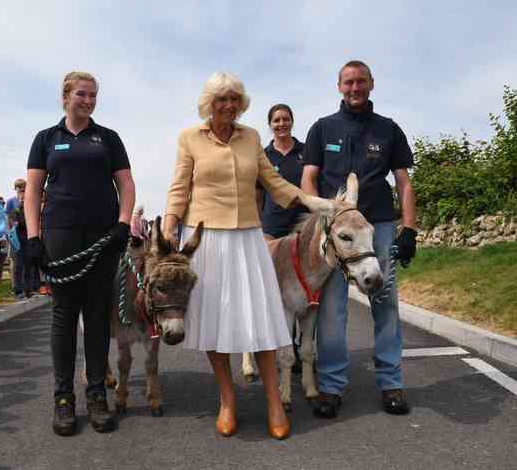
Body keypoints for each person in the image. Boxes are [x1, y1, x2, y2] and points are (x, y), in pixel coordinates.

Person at [163, 72, 332, 439]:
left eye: (235, 98)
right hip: (204, 237)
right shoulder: (189, 138)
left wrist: (312, 201)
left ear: (242, 103)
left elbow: (273, 181)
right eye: (222, 98)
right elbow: (179, 187)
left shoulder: (252, 137)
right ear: (209, 103)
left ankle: (274, 401)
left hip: (247, 238)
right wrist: (168, 228)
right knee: (213, 323)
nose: (229, 105)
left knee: (262, 321)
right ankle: (227, 400)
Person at [301, 60, 417, 418]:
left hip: (377, 227)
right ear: (339, 86)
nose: (355, 88)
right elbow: (308, 179)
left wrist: (409, 228)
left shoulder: (389, 130)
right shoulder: (322, 129)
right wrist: (320, 216)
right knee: (333, 310)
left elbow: (404, 182)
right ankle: (332, 386)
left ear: (371, 84)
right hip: (335, 231)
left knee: (385, 303)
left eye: (361, 81)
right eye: (348, 82)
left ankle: (391, 382)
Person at [24, 71, 135, 436]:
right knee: (64, 315)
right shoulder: (46, 139)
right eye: (82, 95)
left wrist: (123, 224)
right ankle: (63, 397)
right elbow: (33, 191)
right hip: (60, 234)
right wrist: (33, 237)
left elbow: (126, 183)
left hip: (102, 235)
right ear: (66, 96)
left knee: (98, 315)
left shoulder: (108, 138)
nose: (88, 101)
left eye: (93, 96)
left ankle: (97, 394)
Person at [259, 104, 307, 241]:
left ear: (292, 122)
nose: (282, 124)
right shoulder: (262, 156)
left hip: (302, 225)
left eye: (286, 119)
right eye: (276, 120)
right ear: (270, 124)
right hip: (271, 228)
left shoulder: (307, 151)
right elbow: (257, 195)